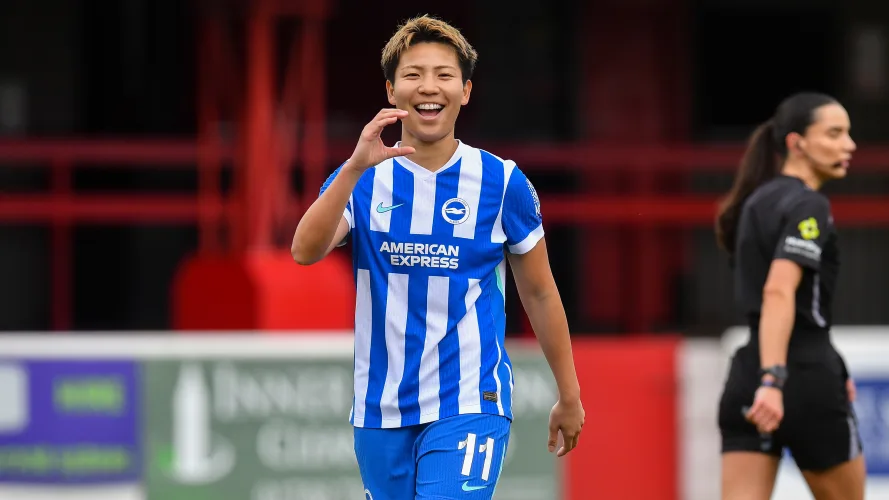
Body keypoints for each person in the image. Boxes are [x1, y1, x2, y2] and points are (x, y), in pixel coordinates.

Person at [290, 14, 584, 499]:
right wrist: (352, 168)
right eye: (413, 74)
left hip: (470, 397)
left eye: (445, 75)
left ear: (465, 91)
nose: (429, 87)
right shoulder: (363, 176)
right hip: (379, 406)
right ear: (391, 90)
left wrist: (569, 394)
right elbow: (304, 251)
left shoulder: (501, 182)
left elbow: (539, 291)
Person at [715, 92, 865, 500]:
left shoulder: (754, 201)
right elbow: (778, 292)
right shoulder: (809, 205)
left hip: (747, 376)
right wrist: (775, 378)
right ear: (797, 143)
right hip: (798, 378)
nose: (848, 145)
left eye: (848, 134)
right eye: (834, 134)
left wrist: (764, 378)